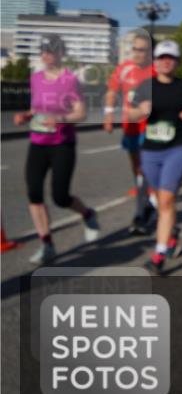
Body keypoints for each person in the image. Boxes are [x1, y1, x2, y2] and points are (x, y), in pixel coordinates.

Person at [14, 34, 99, 264]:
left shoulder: (70, 80)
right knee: (34, 193)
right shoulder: (36, 78)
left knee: (60, 197)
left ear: (61, 53)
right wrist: (26, 115)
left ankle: (88, 214)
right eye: (43, 50)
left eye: (51, 51)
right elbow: (36, 105)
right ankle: (47, 244)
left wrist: (60, 118)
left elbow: (81, 113)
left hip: (62, 144)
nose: (46, 55)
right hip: (38, 143)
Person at [128, 41, 182, 275]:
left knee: (167, 201)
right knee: (161, 200)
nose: (165, 61)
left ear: (177, 62)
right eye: (161, 57)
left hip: (176, 149)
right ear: (155, 61)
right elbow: (129, 112)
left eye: (170, 58)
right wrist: (139, 111)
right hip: (150, 152)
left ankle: (158, 255)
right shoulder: (145, 86)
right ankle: (172, 234)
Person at [103, 30, 157, 235]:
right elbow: (111, 91)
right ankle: (146, 205)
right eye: (135, 49)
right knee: (137, 170)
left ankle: (141, 210)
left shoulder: (156, 70)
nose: (137, 54)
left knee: (146, 170)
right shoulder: (124, 69)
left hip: (152, 128)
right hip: (131, 126)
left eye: (142, 50)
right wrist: (108, 114)